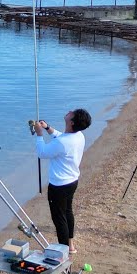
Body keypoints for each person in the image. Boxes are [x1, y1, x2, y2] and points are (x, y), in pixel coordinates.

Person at [29, 108, 92, 254]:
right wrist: (48, 128)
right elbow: (61, 137)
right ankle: (70, 244)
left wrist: (39, 135)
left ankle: (64, 251)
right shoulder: (78, 135)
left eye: (72, 113)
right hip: (72, 181)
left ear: (71, 122)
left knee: (59, 219)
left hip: (59, 186)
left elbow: (42, 152)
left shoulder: (64, 142)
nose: (70, 111)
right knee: (67, 211)